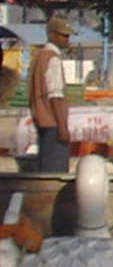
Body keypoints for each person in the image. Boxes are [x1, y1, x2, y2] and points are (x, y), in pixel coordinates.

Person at [28, 16, 74, 173]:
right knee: (56, 172)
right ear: (53, 35)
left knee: (45, 168)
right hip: (53, 123)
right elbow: (55, 95)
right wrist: (62, 127)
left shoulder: (39, 57)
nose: (67, 39)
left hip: (41, 120)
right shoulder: (52, 59)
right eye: (64, 35)